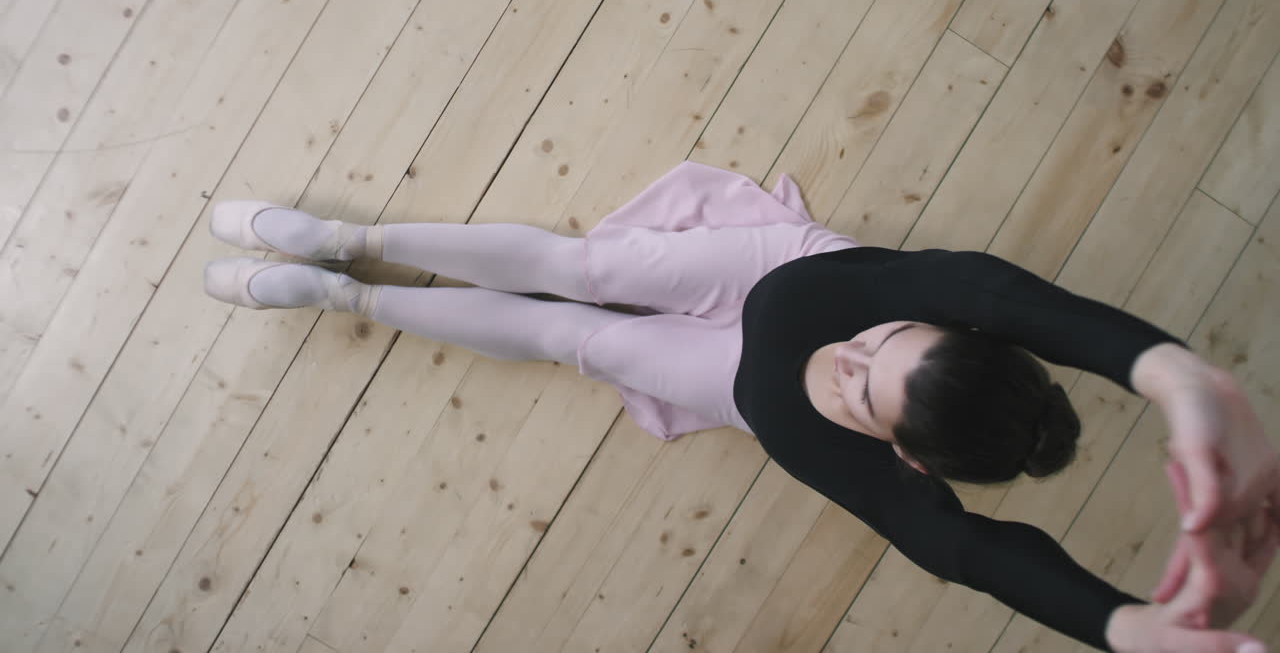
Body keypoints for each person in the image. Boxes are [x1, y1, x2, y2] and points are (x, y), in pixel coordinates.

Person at [204, 161, 1279, 652]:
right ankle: (349, 241)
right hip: (774, 272)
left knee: (566, 335)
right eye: (882, 344)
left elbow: (979, 559)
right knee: (580, 267)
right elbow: (1063, 320)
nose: (846, 362)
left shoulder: (876, 485)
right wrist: (1179, 377)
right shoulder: (930, 291)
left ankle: (336, 295)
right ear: (944, 324)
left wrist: (1124, 628)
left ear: (902, 459)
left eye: (862, 395)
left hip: (729, 387)